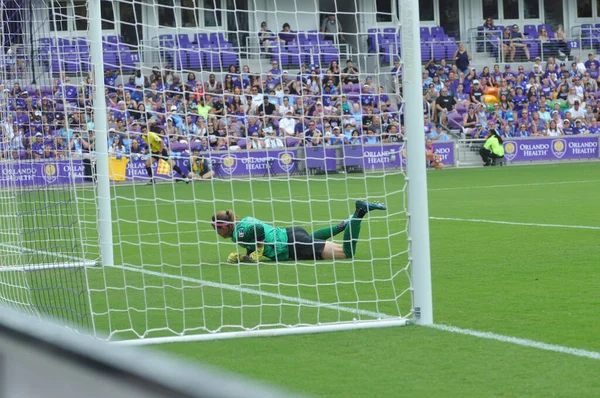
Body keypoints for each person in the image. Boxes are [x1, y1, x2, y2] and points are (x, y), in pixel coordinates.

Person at [211, 200, 387, 263]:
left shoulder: (237, 233)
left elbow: (256, 231)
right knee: (311, 240)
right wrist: (244, 257)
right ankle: (341, 226)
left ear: (224, 226)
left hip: (291, 246)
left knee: (347, 252)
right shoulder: (242, 222)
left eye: (216, 229)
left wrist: (258, 250)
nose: (217, 233)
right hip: (293, 234)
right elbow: (254, 234)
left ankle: (359, 213)